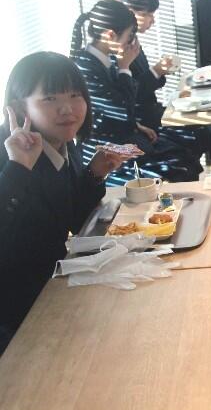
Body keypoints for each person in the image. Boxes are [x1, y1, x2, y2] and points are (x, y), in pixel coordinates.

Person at [0, 52, 128, 354]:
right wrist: (17, 168)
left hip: (53, 285)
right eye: (50, 99)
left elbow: (70, 219)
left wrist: (94, 173)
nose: (67, 108)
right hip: (15, 313)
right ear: (20, 106)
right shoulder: (11, 152)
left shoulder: (62, 142)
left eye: (75, 95)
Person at [70, 0, 202, 185]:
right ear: (110, 35)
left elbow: (124, 106)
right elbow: (122, 109)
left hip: (124, 140)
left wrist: (137, 125)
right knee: (177, 167)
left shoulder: (107, 59)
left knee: (185, 158)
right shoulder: (85, 67)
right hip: (106, 152)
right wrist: (125, 67)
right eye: (129, 36)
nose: (131, 42)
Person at [120, 0, 211, 157]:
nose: (152, 21)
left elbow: (140, 82)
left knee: (204, 130)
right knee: (200, 132)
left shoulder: (133, 40)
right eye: (147, 14)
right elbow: (131, 93)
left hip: (150, 111)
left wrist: (158, 71)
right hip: (141, 119)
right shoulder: (120, 47)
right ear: (129, 12)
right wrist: (156, 71)